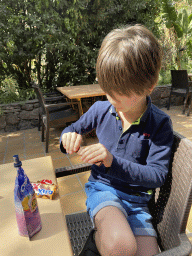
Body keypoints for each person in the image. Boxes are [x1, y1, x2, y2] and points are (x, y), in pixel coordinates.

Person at [60, 24, 173, 256]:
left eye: (118, 92)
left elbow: (157, 176)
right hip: (103, 190)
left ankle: (99, 239)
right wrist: (67, 138)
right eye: (107, 89)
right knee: (121, 247)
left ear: (148, 88)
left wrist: (113, 161)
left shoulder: (160, 124)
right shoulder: (101, 109)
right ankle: (103, 236)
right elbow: (71, 130)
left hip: (138, 204)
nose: (110, 98)